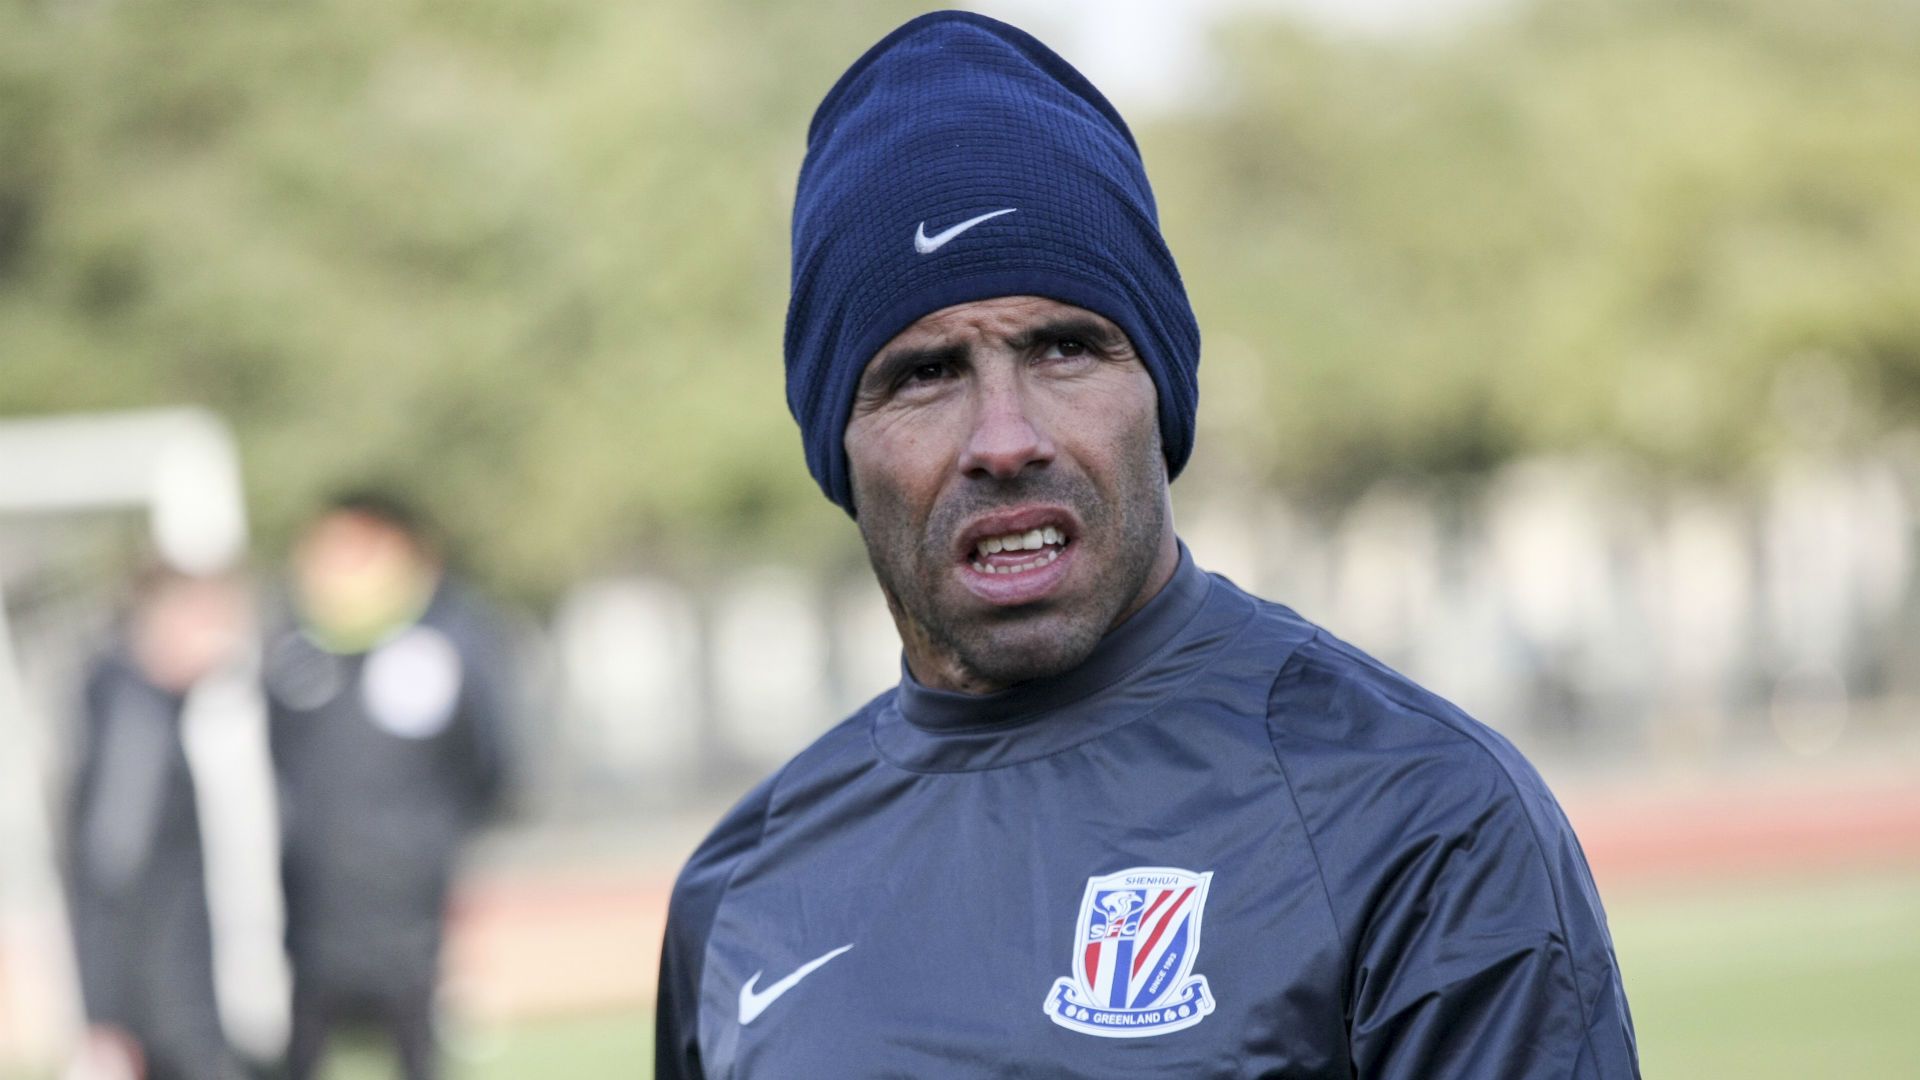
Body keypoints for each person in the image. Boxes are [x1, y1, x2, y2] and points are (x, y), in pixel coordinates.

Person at [655, 11, 1640, 1079]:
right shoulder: (741, 891)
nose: (1005, 439)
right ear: (835, 442)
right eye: (926, 373)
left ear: (1159, 392)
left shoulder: (1416, 817)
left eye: (1067, 348)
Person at [265, 492, 514, 1080]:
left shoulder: (448, 638)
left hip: (410, 903)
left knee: (414, 1042)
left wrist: (433, 842)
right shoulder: (290, 648)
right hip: (307, 902)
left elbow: (487, 761)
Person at [64, 568, 252, 1080]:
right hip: (173, 1005)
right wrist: (106, 1013)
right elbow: (112, 868)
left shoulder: (178, 709)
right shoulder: (135, 717)